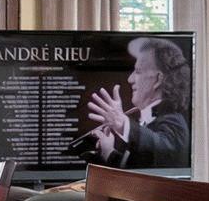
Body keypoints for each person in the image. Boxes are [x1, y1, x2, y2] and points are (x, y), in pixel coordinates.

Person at [82, 36, 192, 169]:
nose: (130, 79)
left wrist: (122, 123)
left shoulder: (175, 122)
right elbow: (136, 175)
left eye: (138, 71)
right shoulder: (146, 121)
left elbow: (161, 149)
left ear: (157, 80)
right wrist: (108, 152)